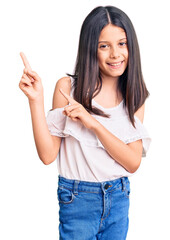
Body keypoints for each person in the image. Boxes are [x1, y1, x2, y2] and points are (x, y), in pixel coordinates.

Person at [19, 5, 151, 240]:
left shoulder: (135, 95)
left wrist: (93, 124)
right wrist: (36, 101)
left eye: (122, 43)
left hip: (118, 199)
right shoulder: (67, 89)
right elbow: (48, 155)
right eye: (104, 46)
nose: (115, 54)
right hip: (77, 199)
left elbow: (132, 163)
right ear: (91, 48)